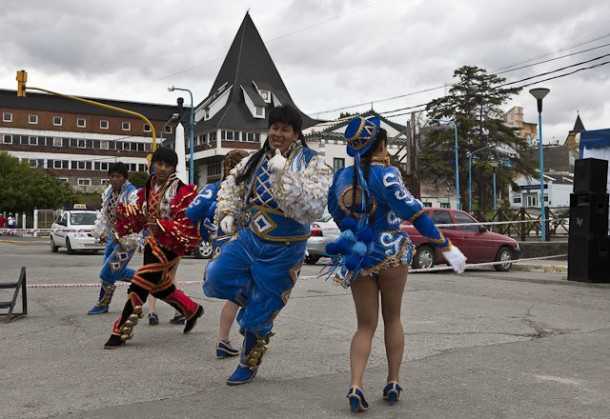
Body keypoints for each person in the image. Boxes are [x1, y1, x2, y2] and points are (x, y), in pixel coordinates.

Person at [326, 116, 467, 412]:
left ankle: (355, 383)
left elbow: (336, 214)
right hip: (391, 252)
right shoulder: (387, 175)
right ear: (382, 145)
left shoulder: (341, 177)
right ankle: (392, 380)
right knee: (393, 318)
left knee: (364, 326)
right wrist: (446, 246)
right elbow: (415, 214)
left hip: (360, 256)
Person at [203, 105, 332, 385]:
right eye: (275, 127)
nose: (278, 133)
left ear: (296, 134)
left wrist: (284, 174)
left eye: (285, 129)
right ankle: (251, 299)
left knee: (260, 315)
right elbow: (231, 187)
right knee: (214, 277)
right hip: (249, 238)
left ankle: (247, 363)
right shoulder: (253, 159)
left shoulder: (313, 163)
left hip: (285, 248)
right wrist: (227, 212)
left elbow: (311, 208)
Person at [104, 147, 204, 349]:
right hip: (151, 243)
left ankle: (119, 329)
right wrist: (124, 214)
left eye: (168, 165)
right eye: (160, 164)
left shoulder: (182, 190)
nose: (163, 168)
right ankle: (191, 309)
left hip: (171, 245)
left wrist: (162, 227)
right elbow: (141, 216)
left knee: (140, 280)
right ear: (153, 165)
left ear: (173, 168)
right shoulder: (148, 187)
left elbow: (187, 222)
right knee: (158, 286)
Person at [186, 149, 250, 358]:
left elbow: (192, 211)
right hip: (244, 245)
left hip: (221, 245)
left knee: (237, 296)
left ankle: (224, 340)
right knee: (250, 294)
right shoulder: (249, 187)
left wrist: (206, 228)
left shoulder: (214, 188)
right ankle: (249, 338)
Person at [88, 162, 139, 315]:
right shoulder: (109, 191)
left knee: (106, 273)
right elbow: (104, 214)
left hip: (128, 240)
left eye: (118, 176)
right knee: (112, 271)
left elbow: (136, 214)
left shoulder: (132, 193)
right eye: (112, 176)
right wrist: (102, 232)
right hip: (113, 237)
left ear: (125, 178)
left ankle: (103, 303)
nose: (114, 179)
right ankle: (147, 281)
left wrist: (123, 213)